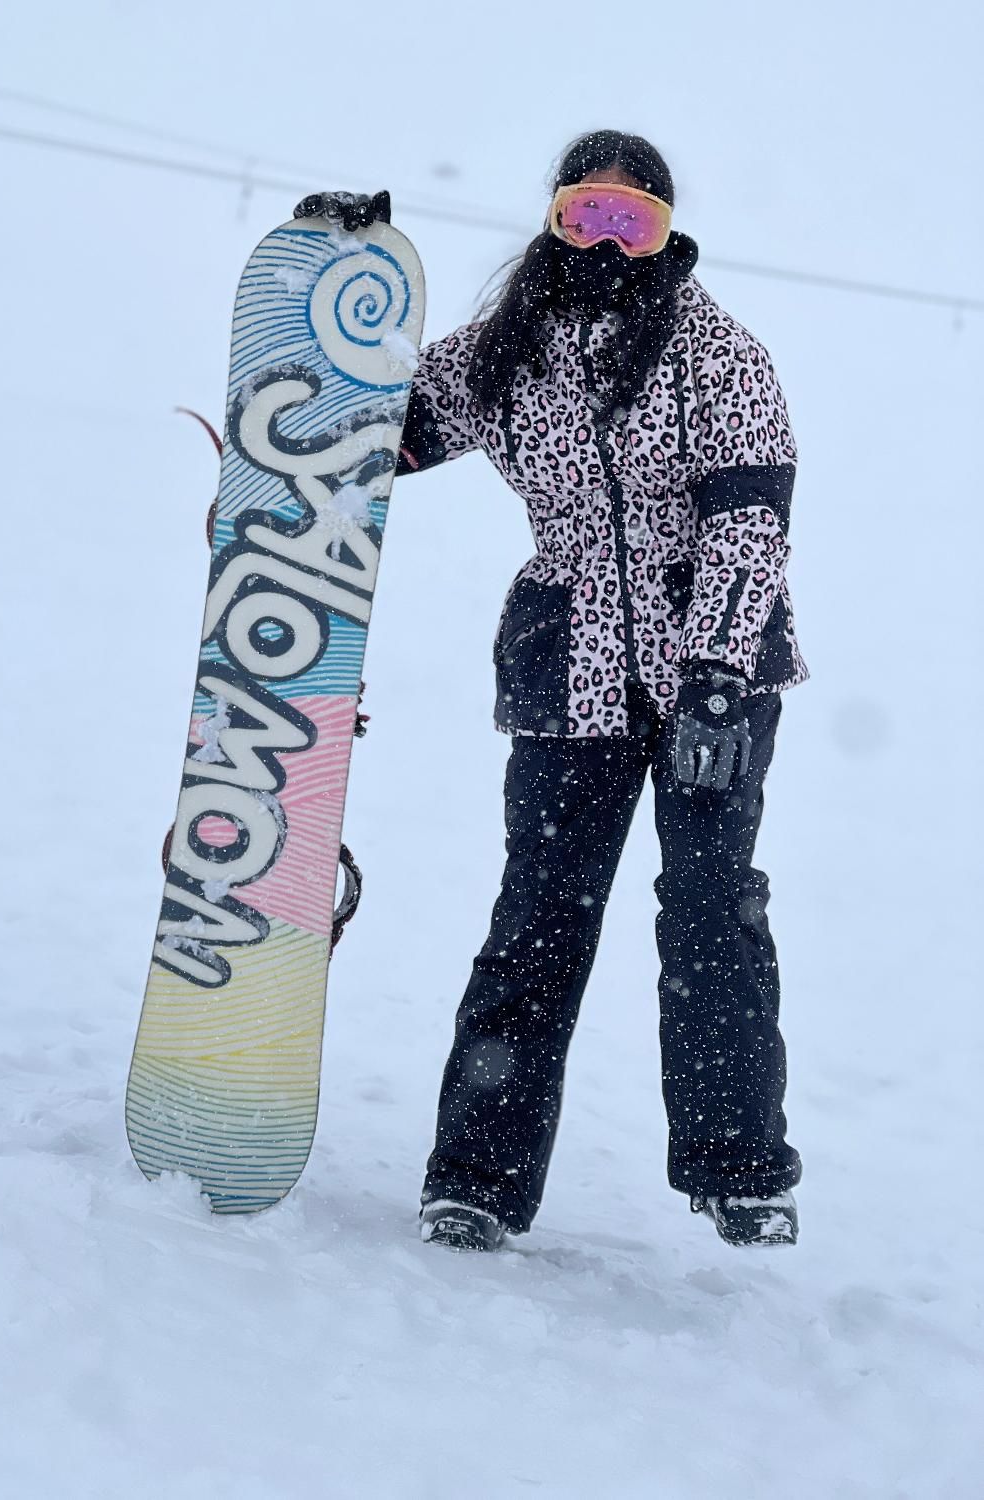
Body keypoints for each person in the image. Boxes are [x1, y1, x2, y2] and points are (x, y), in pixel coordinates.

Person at [296, 128, 805, 1253]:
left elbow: (750, 522)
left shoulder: (720, 354)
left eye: (638, 223)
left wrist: (717, 676)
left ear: (668, 234)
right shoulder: (506, 355)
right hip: (565, 661)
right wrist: (333, 276)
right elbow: (381, 424)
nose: (610, 244)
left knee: (712, 911)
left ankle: (740, 1170)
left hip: (705, 678)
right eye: (589, 217)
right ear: (553, 218)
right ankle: (477, 1177)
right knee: (539, 918)